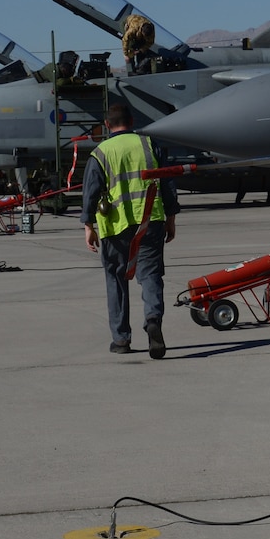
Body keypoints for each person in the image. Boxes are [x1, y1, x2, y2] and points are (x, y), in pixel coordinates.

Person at [83, 103, 177, 359]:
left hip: (114, 227)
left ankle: (121, 339)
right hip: (150, 219)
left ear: (106, 125)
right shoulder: (149, 145)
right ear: (132, 121)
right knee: (150, 276)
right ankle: (153, 318)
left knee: (116, 279)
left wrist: (88, 225)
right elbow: (167, 182)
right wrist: (171, 217)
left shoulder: (100, 153)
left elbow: (90, 192)